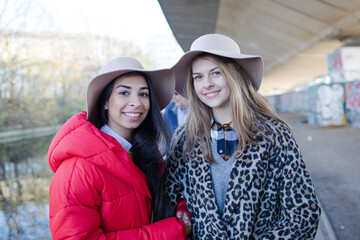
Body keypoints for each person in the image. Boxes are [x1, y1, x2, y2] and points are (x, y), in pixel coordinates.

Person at [165, 34, 321, 239]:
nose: (207, 84)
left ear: (234, 75)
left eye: (216, 73)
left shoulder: (273, 134)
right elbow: (169, 198)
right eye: (198, 77)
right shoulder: (186, 138)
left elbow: (303, 214)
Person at [47, 56, 191, 239]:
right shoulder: (78, 170)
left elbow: (168, 193)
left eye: (143, 94)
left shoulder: (146, 154)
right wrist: (173, 231)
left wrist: (181, 210)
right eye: (124, 93)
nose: (136, 102)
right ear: (105, 102)